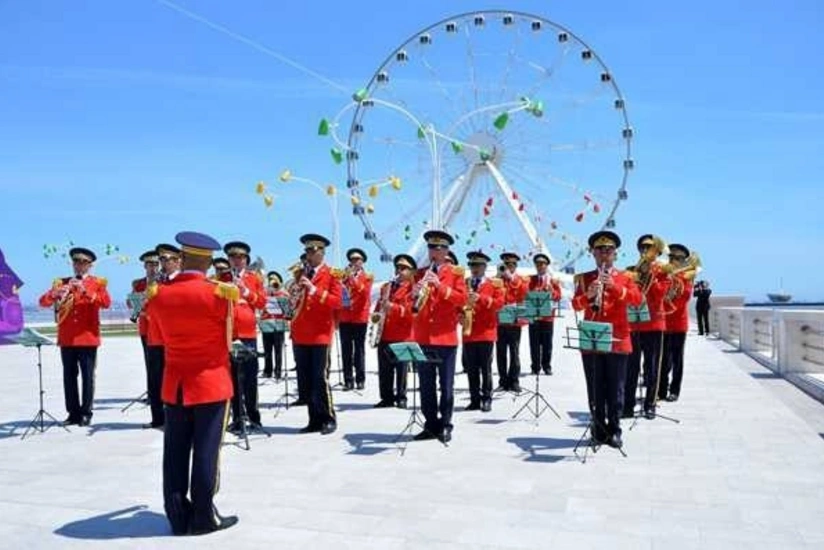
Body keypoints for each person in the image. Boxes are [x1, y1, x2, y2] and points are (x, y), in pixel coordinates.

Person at [150, 231, 238, 536]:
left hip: (175, 383)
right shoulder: (220, 293)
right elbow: (231, 339)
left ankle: (176, 514)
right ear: (209, 262)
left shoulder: (158, 294)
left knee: (174, 452)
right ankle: (203, 516)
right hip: (211, 382)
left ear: (182, 258)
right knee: (205, 451)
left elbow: (157, 340)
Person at [571, 231, 642, 449]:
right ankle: (598, 428)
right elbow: (575, 305)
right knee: (595, 388)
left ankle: (615, 430)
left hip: (618, 340)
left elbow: (638, 300)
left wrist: (614, 286)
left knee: (616, 389)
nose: (604, 254)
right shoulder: (584, 279)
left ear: (615, 254)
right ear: (593, 253)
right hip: (592, 340)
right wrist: (588, 295)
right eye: (600, 251)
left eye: (609, 250)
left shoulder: (627, 278)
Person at [38, 247, 111, 426]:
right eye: (76, 262)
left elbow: (106, 303)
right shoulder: (61, 282)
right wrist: (56, 293)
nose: (79, 266)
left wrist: (85, 291)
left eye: (83, 263)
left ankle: (86, 412)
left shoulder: (97, 283)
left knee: (87, 376)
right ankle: (73, 413)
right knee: (69, 376)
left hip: (87, 337)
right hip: (67, 337)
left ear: (90, 265)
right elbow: (43, 302)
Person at [411, 230, 467, 442]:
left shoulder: (456, 274)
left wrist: (440, 286)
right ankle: (430, 424)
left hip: (445, 338)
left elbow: (461, 299)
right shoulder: (419, 273)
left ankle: (445, 424)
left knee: (446, 385)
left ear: (446, 250)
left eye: (439, 248)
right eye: (431, 248)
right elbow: (411, 306)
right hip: (424, 337)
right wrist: (415, 294)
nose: (434, 252)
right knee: (425, 385)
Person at [290, 234, 342, 435]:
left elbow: (337, 302)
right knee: (306, 379)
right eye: (307, 252)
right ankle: (313, 419)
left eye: (313, 251)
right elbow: (294, 302)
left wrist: (314, 291)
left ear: (322, 252)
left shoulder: (332, 275)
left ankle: (328, 417)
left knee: (320, 378)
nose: (309, 255)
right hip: (301, 332)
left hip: (320, 333)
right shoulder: (300, 273)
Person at [623, 235, 671, 420]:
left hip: (654, 324)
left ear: (657, 252)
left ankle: (650, 404)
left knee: (652, 367)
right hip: (634, 324)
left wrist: (651, 276)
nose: (646, 251)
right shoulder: (631, 270)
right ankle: (627, 405)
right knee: (630, 367)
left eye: (650, 248)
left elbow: (660, 295)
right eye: (643, 248)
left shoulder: (664, 271)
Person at [223, 241, 266, 432]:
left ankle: (254, 417)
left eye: (240, 258)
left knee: (250, 378)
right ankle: (237, 418)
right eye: (233, 257)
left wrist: (245, 291)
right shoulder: (221, 277)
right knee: (232, 378)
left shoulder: (254, 278)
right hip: (229, 334)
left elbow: (262, 302)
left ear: (246, 260)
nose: (236, 261)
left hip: (248, 334)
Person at [140, 244, 182, 429]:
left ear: (177, 261)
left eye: (167, 259)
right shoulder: (155, 281)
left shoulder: (181, 280)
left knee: (174, 378)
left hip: (175, 337)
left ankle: (175, 416)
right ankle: (157, 418)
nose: (163, 263)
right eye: (161, 260)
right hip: (155, 336)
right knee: (155, 378)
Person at [461, 251, 505, 412]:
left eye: (478, 265)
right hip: (469, 332)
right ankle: (474, 399)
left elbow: (499, 303)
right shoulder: (464, 282)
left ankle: (487, 398)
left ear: (485, 267)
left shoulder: (495, 284)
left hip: (486, 331)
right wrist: (459, 315)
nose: (474, 268)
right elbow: (458, 303)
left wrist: (481, 298)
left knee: (485, 367)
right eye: (472, 265)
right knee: (471, 368)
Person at [372, 254, 416, 409]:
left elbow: (412, 312)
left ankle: (401, 396)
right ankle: (386, 397)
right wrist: (376, 317)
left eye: (404, 268)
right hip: (385, 333)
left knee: (402, 369)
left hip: (403, 335)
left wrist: (393, 308)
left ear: (411, 271)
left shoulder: (413, 288)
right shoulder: (386, 287)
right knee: (384, 368)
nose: (399, 270)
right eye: (397, 267)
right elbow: (379, 307)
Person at [660, 244, 694, 402]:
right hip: (663, 323)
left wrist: (668, 300)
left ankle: (674, 390)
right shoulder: (664, 274)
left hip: (678, 324)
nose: (674, 261)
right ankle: (661, 389)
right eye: (671, 257)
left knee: (677, 359)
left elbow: (684, 298)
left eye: (678, 258)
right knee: (663, 359)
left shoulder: (686, 277)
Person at [128, 250, 160, 410]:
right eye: (149, 265)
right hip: (146, 328)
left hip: (161, 328)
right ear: (144, 266)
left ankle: (161, 394)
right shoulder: (138, 284)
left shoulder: (164, 281)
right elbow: (130, 303)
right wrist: (135, 302)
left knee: (163, 363)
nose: (153, 268)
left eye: (155, 264)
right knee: (149, 362)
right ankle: (151, 393)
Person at [338, 247, 373, 390]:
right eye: (352, 260)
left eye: (357, 260)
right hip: (345, 317)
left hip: (360, 317)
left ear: (362, 262)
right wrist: (342, 280)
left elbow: (363, 292)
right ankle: (348, 379)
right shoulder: (343, 277)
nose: (354, 262)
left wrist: (351, 278)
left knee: (359, 350)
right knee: (346, 350)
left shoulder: (368, 276)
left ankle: (360, 379)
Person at [496, 252, 528, 392]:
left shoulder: (522, 280)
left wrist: (512, 279)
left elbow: (524, 293)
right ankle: (503, 380)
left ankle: (514, 380)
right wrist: (500, 278)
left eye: (512, 264)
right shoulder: (498, 280)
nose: (509, 267)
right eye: (507, 264)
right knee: (500, 352)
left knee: (514, 352)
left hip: (514, 321)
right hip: (500, 321)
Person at [527, 253, 563, 376]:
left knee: (547, 343)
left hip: (547, 317)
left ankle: (546, 366)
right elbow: (524, 294)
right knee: (534, 343)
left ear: (547, 265)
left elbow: (558, 297)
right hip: (534, 315)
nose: (540, 266)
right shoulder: (530, 280)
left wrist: (552, 291)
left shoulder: (553, 280)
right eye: (537, 264)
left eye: (542, 264)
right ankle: (535, 366)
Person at [260, 271, 289, 379]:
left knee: (278, 350)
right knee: (267, 350)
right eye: (270, 279)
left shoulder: (283, 293)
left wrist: (280, 292)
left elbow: (287, 308)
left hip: (278, 325)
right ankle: (268, 370)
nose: (272, 282)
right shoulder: (264, 293)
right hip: (266, 325)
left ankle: (278, 371)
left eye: (274, 279)